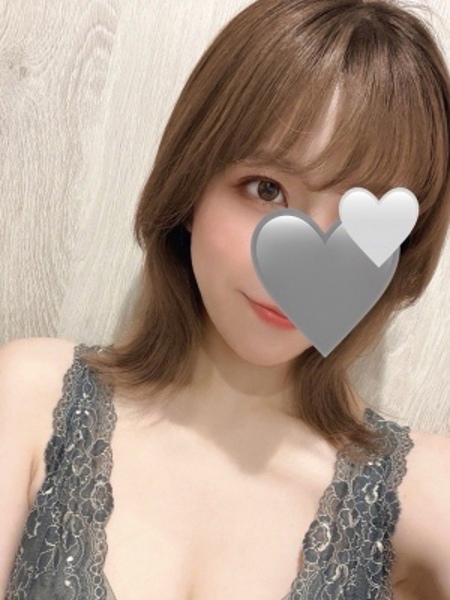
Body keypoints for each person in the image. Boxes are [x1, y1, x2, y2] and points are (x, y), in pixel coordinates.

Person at [1, 0, 450, 598]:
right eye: (266, 189)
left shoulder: (425, 492)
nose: (306, 266)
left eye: (357, 222)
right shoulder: (31, 397)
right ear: (192, 189)